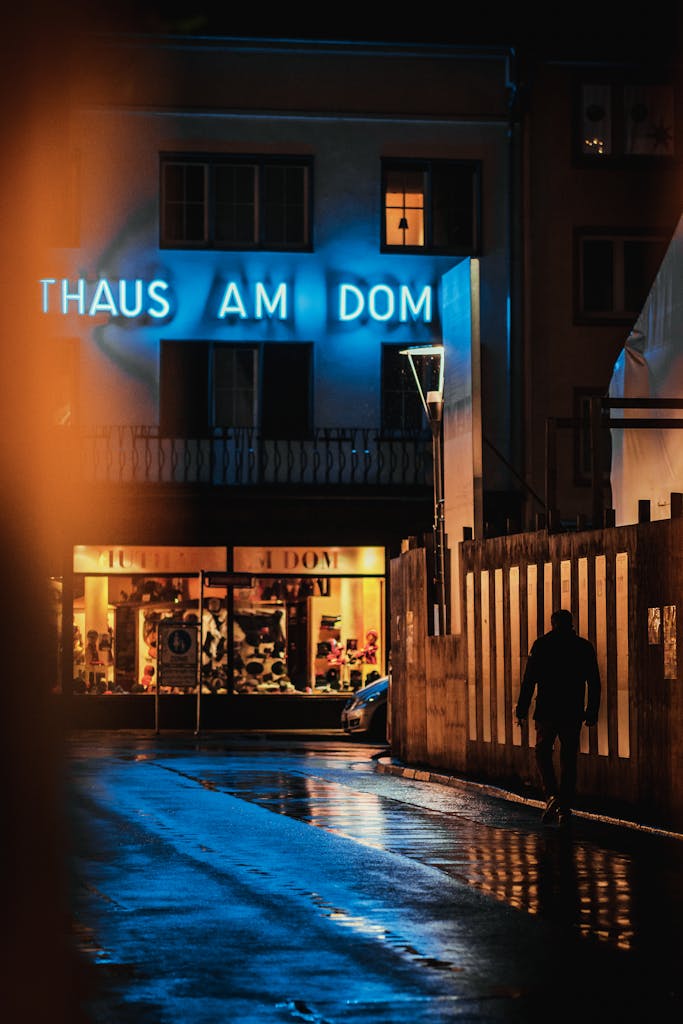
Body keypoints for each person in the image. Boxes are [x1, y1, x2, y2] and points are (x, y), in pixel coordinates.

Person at [515, 608, 600, 827]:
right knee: (568, 758)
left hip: (547, 711)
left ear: (552, 624)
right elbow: (594, 682)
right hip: (572, 712)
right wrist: (591, 711)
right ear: (571, 624)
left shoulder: (541, 646)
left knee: (543, 752)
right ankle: (565, 808)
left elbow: (529, 681)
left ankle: (551, 795)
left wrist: (521, 711)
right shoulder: (583, 647)